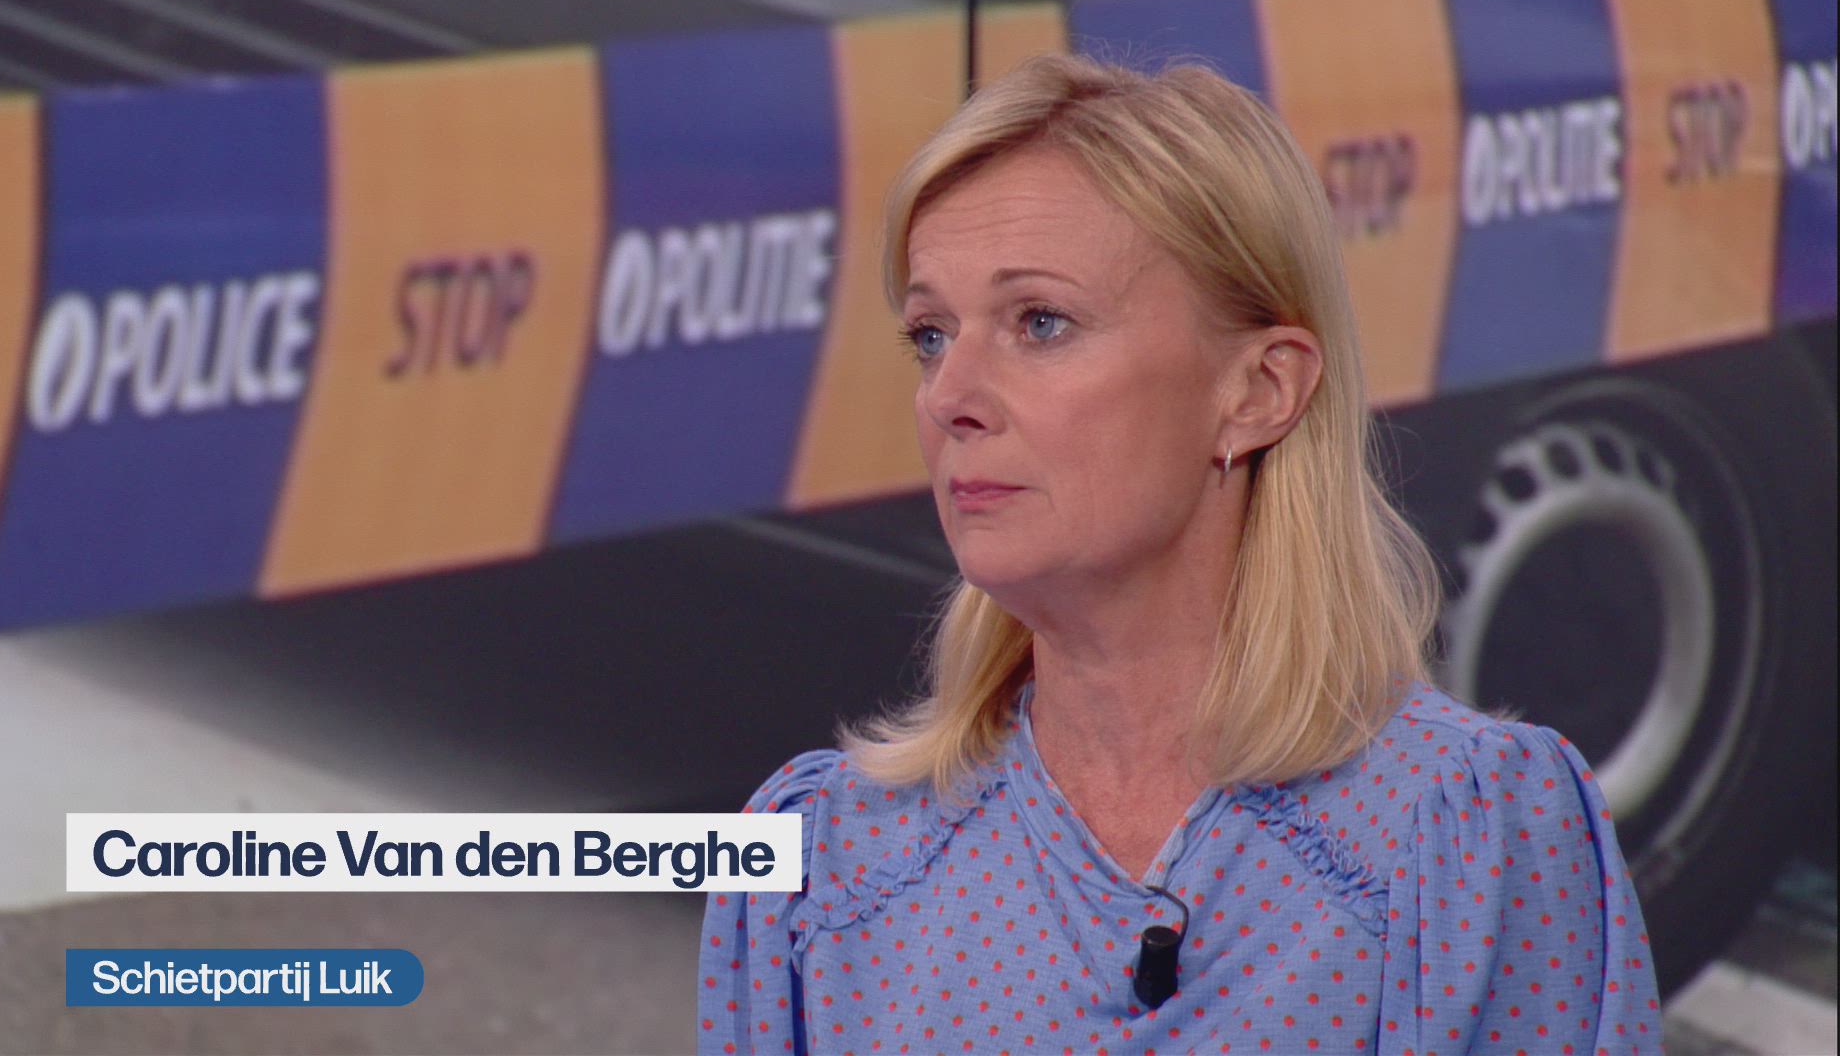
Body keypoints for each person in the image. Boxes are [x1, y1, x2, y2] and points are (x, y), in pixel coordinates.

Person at [698, 52, 1661, 1055]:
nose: (951, 397)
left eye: (1040, 322)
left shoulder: (1470, 836)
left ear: (1259, 392)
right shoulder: (823, 865)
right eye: (931, 335)